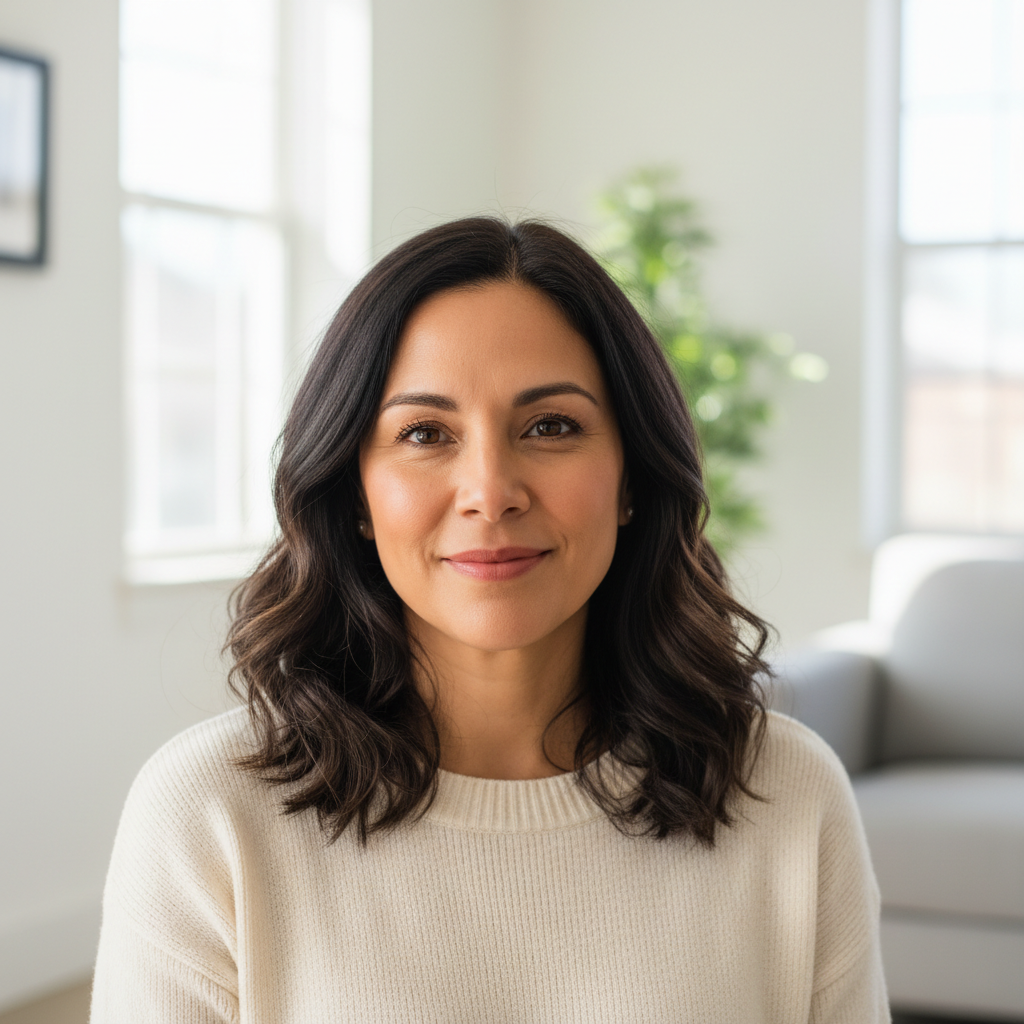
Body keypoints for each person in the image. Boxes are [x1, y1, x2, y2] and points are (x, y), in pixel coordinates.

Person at [91, 217, 889, 1022]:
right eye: (425, 433)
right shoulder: (207, 813)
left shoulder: (787, 794)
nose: (490, 489)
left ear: (631, 479)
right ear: (357, 495)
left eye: (550, 427)